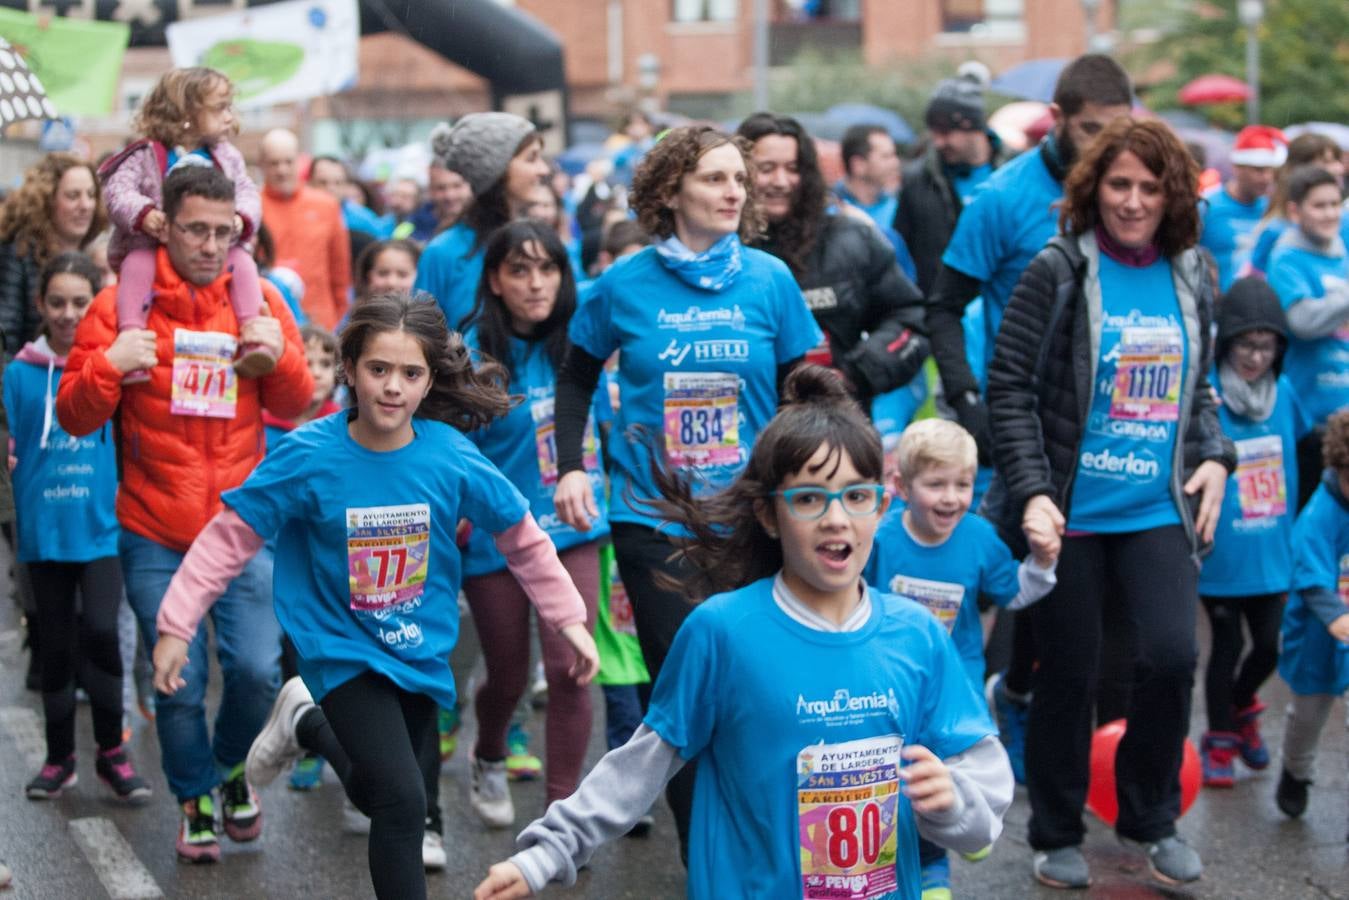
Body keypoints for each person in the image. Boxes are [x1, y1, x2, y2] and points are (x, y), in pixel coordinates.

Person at [474, 365, 1013, 900]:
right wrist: (547, 852)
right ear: (769, 514)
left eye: (855, 496)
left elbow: (982, 803)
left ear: (881, 505)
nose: (836, 519)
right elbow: (639, 767)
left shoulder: (916, 634)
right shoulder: (722, 632)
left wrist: (952, 803)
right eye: (808, 498)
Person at [149, 292, 600, 900]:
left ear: (429, 380)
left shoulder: (449, 456)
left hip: (417, 649)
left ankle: (304, 722)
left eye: (410, 373)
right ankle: (313, 710)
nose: (393, 387)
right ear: (350, 370)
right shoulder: (309, 456)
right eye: (378, 369)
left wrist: (569, 620)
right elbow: (228, 540)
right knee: (403, 802)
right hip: (338, 647)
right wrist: (177, 625)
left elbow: (522, 536)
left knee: (377, 790)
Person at [550, 124, 823, 861]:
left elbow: (805, 392)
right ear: (669, 192)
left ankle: (760, 832)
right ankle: (705, 857)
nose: (734, 191)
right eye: (713, 178)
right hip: (651, 517)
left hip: (749, 519)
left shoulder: (770, 281)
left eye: (738, 178)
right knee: (679, 692)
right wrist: (573, 464)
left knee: (757, 680)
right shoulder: (623, 284)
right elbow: (575, 375)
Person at [985, 117, 1235, 889]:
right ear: (1094, 188)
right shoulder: (1057, 269)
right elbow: (1009, 388)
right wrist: (1030, 494)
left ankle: (1148, 817)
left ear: (1173, 198)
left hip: (1155, 507)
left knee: (1171, 656)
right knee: (1070, 669)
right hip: (1070, 511)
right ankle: (1055, 828)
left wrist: (1217, 459)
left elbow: (1200, 391)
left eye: (1149, 188)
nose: (1131, 202)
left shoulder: (1193, 272)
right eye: (1118, 185)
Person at [56, 165, 314, 863]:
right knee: (180, 681)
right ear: (165, 226)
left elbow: (297, 404)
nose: (209, 244)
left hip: (241, 527)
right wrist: (109, 364)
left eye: (222, 231)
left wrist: (278, 356)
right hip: (154, 531)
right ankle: (196, 794)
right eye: (195, 229)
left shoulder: (257, 300)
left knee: (258, 670)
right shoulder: (121, 306)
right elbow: (75, 419)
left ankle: (228, 768)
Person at [927, 54, 1132, 781]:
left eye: (1116, 130)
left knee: (1097, 611)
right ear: (1057, 118)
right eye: (1088, 130)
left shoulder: (1130, 195)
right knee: (993, 577)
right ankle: (987, 705)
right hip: (1023, 430)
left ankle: (1049, 713)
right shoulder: (1003, 197)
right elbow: (942, 306)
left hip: (1115, 435)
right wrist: (969, 399)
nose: (1102, 146)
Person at [864, 417, 1057, 897]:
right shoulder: (883, 538)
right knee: (906, 773)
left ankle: (964, 824)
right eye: (935, 484)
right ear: (901, 486)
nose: (950, 497)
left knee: (949, 769)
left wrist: (1044, 562)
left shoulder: (978, 538)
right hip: (892, 682)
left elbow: (1012, 592)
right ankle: (930, 867)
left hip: (958, 682)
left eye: (963, 484)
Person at [458, 221, 608, 827]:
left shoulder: (585, 341)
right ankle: (489, 750)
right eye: (519, 270)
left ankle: (560, 814)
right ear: (495, 280)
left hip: (573, 526)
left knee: (573, 669)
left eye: (547, 268)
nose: (535, 282)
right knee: (509, 676)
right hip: (499, 536)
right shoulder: (469, 356)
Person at [6, 252, 149, 803]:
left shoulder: (112, 368)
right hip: (44, 534)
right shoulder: (18, 374)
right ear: (40, 304)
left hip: (103, 530)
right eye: (57, 302)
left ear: (97, 306)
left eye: (80, 303)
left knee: (102, 635)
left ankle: (112, 753)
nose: (68, 314)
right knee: (56, 646)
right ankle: (58, 758)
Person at [1196, 278, 1310, 787]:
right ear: (1226, 343)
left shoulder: (1284, 393)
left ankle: (1243, 706)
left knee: (1268, 646)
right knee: (1224, 644)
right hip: (1223, 553)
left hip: (1271, 551)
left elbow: (1304, 455)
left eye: (1267, 347)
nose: (1255, 357)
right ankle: (1219, 737)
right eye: (1246, 344)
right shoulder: (1210, 398)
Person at [736, 112, 928, 410]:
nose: (781, 181)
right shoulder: (715, 251)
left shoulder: (851, 239)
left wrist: (854, 374)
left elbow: (909, 319)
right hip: (742, 431)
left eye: (792, 168)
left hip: (834, 430)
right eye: (766, 168)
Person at [100, 67, 274, 384]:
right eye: (220, 107)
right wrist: (144, 214)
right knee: (136, 265)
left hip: (213, 253)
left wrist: (240, 218)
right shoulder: (147, 154)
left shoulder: (227, 157)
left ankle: (254, 337)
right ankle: (132, 339)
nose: (229, 117)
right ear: (187, 112)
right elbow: (116, 191)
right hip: (152, 247)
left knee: (244, 262)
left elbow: (247, 191)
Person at [1271, 409, 1349, 826]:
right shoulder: (1320, 515)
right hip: (1318, 636)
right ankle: (1295, 772)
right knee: (1307, 716)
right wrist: (1336, 617)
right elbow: (1312, 578)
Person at [414, 113, 551, 330]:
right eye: (531, 158)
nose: (544, 170)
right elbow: (421, 338)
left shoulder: (543, 241)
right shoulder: (444, 253)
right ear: (497, 169)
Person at [1266, 165, 1349, 510]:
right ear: (1295, 210)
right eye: (1319, 205)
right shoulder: (1286, 258)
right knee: (1311, 509)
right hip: (1308, 417)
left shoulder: (1341, 250)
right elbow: (1301, 320)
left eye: (1334, 204)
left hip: (1342, 411)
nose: (1330, 213)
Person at [896, 75, 1011, 297]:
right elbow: (901, 254)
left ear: (973, 127)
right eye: (934, 132)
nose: (938, 142)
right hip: (939, 312)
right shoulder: (918, 181)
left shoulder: (1014, 175)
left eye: (946, 133)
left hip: (1003, 311)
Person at [0, 153, 107, 356]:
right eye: (73, 196)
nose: (85, 205)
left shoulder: (98, 254)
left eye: (91, 195)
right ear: (46, 201)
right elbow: (7, 330)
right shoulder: (18, 253)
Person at [259, 128, 352, 330]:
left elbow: (340, 272)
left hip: (321, 320)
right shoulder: (252, 207)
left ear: (299, 161)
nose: (282, 170)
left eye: (288, 161)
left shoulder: (326, 205)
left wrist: (338, 320)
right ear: (262, 164)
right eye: (274, 163)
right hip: (271, 318)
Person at [1245, 133, 1346, 279]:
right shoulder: (1275, 230)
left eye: (1337, 160)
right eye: (1327, 161)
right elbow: (1256, 282)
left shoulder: (1342, 219)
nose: (1338, 168)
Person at [1199, 125, 1287, 292]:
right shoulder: (1207, 206)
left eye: (1271, 171)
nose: (1267, 178)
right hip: (1219, 306)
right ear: (1237, 168)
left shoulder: (1272, 208)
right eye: (1259, 170)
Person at [835, 123, 900, 233]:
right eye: (886, 156)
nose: (896, 163)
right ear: (858, 164)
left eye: (894, 155)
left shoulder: (897, 207)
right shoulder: (832, 209)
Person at [308, 155, 390, 239]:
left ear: (346, 185)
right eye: (322, 182)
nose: (330, 188)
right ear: (310, 183)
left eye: (338, 183)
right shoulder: (301, 214)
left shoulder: (364, 219)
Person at [355, 239, 420, 305]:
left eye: (402, 274)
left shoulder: (428, 314)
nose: (391, 283)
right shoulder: (353, 313)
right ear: (367, 277)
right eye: (383, 273)